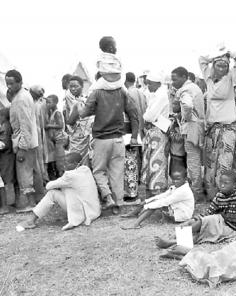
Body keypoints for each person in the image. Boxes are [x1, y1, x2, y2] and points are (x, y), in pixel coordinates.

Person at [68, 68, 140, 212]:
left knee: (99, 171)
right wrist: (133, 136)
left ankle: (107, 197)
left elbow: (84, 113)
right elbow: (134, 113)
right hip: (119, 139)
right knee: (117, 172)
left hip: (101, 139)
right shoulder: (121, 92)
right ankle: (118, 204)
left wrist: (78, 105)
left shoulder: (96, 92)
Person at [156, 170, 236, 249]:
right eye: (221, 182)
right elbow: (210, 210)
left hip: (233, 228)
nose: (222, 185)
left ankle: (175, 239)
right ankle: (173, 240)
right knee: (197, 226)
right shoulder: (219, 196)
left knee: (205, 221)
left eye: (226, 183)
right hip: (222, 222)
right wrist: (199, 218)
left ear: (234, 185)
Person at [199, 46, 236, 198]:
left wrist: (229, 53)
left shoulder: (232, 78)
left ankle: (223, 194)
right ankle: (211, 194)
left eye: (225, 65)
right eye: (219, 65)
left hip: (227, 129)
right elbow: (201, 59)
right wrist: (216, 54)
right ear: (213, 65)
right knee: (210, 162)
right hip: (212, 128)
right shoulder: (209, 78)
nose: (222, 68)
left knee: (225, 162)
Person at [16, 152, 101, 231]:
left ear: (75, 164)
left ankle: (31, 221)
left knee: (52, 194)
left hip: (84, 213)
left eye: (67, 162)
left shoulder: (70, 176)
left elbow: (48, 186)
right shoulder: (86, 169)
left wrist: (58, 182)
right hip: (93, 211)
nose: (64, 165)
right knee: (67, 189)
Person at [5, 69, 45, 210]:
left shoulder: (21, 99)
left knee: (25, 173)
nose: (9, 86)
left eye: (11, 83)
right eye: (7, 83)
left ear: (20, 82)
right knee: (34, 170)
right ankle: (39, 199)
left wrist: (22, 147)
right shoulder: (22, 96)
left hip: (25, 142)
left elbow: (25, 125)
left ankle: (30, 203)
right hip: (30, 141)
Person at [171, 66, 206, 201]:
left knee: (193, 161)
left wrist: (186, 118)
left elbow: (187, 105)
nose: (173, 82)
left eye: (175, 79)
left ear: (184, 77)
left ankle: (196, 192)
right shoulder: (194, 87)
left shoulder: (185, 89)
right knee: (195, 159)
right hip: (197, 127)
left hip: (191, 127)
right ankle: (197, 189)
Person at [121, 170, 194, 229]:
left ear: (185, 179)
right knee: (154, 201)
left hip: (182, 216)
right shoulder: (177, 186)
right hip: (177, 209)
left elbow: (165, 202)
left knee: (155, 205)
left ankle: (136, 224)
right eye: (173, 179)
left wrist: (148, 206)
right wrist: (147, 201)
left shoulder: (183, 191)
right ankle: (134, 213)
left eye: (178, 179)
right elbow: (163, 195)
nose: (175, 181)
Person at [141, 71, 171, 196]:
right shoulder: (156, 94)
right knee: (152, 160)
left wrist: (146, 116)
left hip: (158, 131)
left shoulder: (161, 96)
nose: (148, 87)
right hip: (155, 131)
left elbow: (149, 116)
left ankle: (157, 189)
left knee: (157, 161)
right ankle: (152, 187)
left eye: (150, 84)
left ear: (157, 83)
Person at [124, 72, 147, 201]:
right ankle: (135, 185)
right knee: (136, 158)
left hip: (132, 130)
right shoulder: (141, 92)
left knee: (130, 160)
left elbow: (132, 114)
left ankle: (132, 189)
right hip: (140, 129)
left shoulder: (127, 93)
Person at [63, 76, 94, 167]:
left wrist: (69, 119)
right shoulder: (70, 99)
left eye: (76, 86)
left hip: (81, 134)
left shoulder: (83, 100)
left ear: (82, 86)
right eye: (71, 86)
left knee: (77, 160)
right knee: (79, 160)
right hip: (76, 135)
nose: (73, 88)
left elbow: (71, 120)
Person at [0, 107, 16, 206]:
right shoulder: (9, 125)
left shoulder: (4, 127)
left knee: (5, 178)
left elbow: (3, 143)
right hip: (9, 155)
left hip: (5, 157)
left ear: (2, 116)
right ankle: (12, 200)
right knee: (10, 177)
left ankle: (7, 202)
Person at [29, 85, 50, 183]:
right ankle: (43, 177)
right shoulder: (31, 103)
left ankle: (44, 176)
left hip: (42, 131)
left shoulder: (42, 103)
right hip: (37, 131)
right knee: (40, 155)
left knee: (43, 155)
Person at [44, 94, 66, 179]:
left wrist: (49, 126)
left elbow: (60, 125)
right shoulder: (52, 112)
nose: (47, 104)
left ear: (55, 103)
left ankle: (62, 177)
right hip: (56, 139)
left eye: (49, 102)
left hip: (60, 139)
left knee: (61, 161)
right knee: (58, 160)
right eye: (46, 102)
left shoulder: (57, 113)